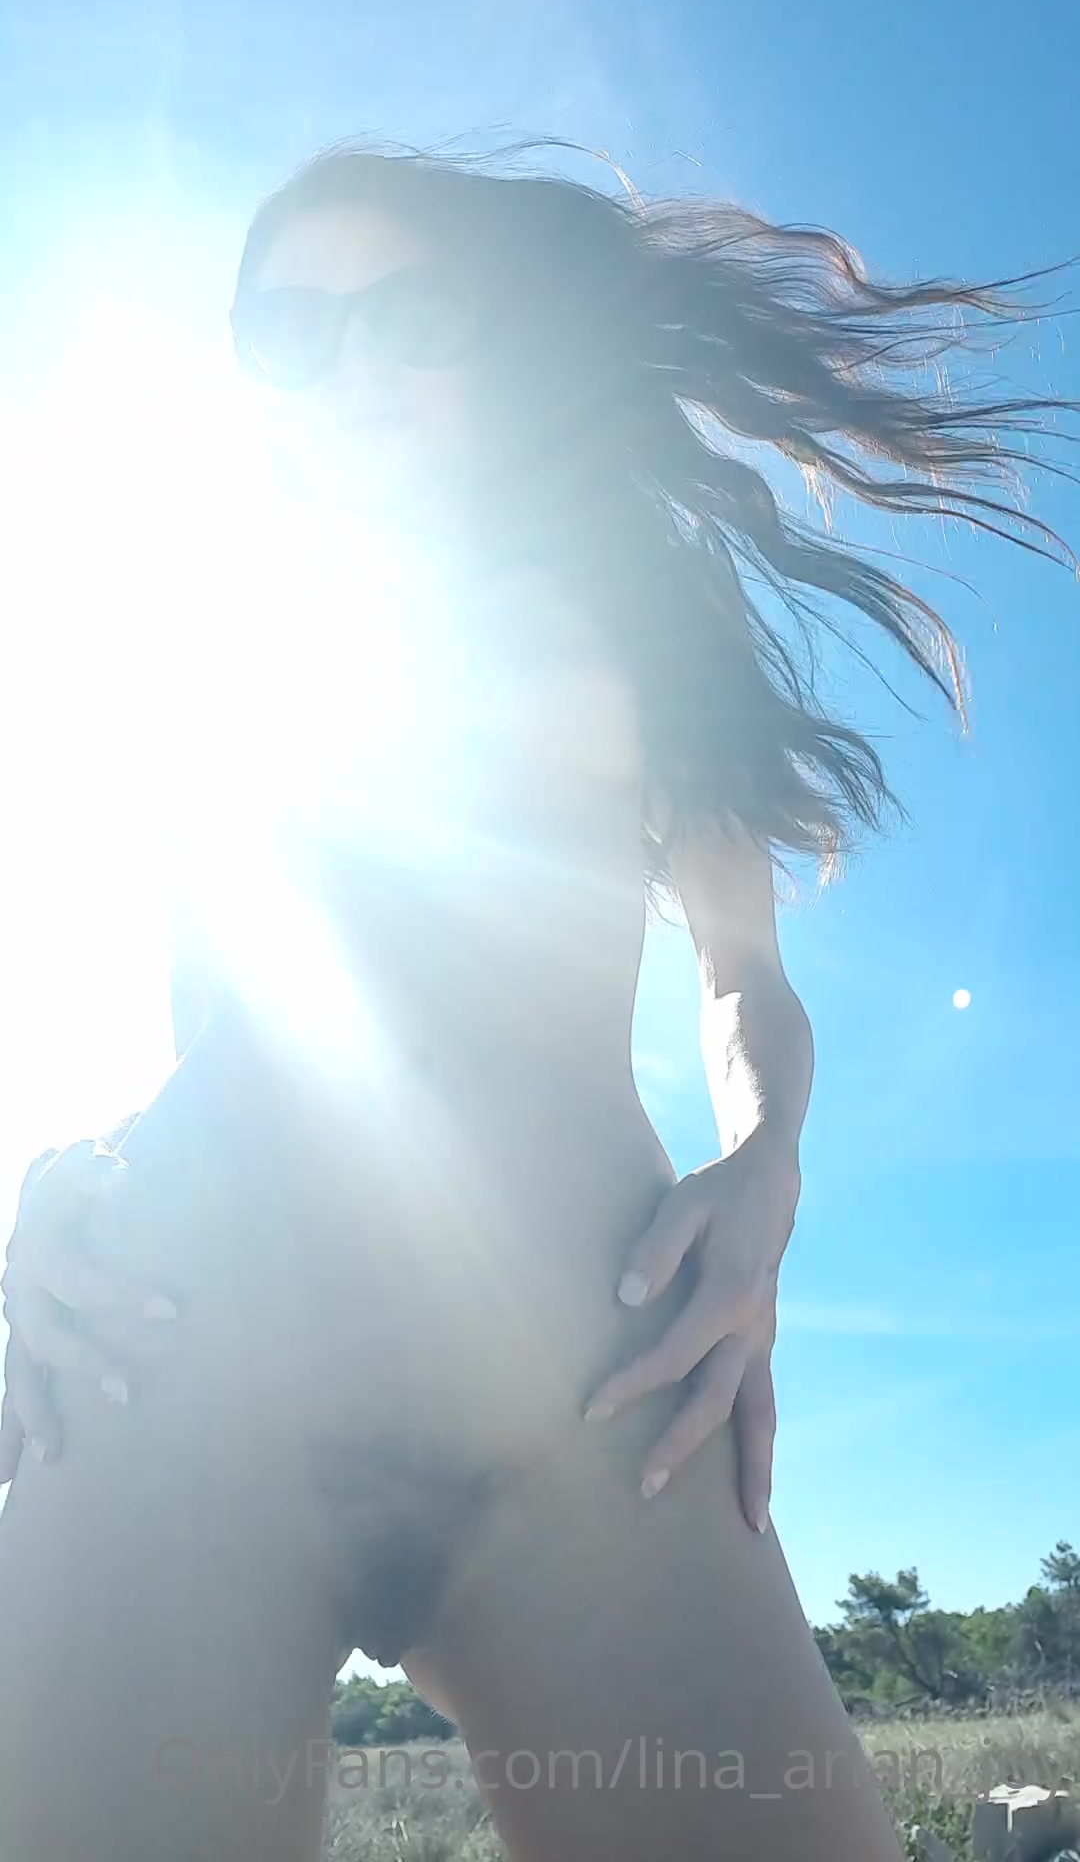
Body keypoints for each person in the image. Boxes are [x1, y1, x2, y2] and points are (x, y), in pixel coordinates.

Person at [0, 136, 1073, 1862]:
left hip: (590, 1391)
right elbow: (216, 1029)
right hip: (175, 1378)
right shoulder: (208, 631)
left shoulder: (629, 612)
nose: (351, 361)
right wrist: (57, 1184)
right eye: (294, 326)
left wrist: (766, 1167)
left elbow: (742, 975)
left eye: (407, 315)